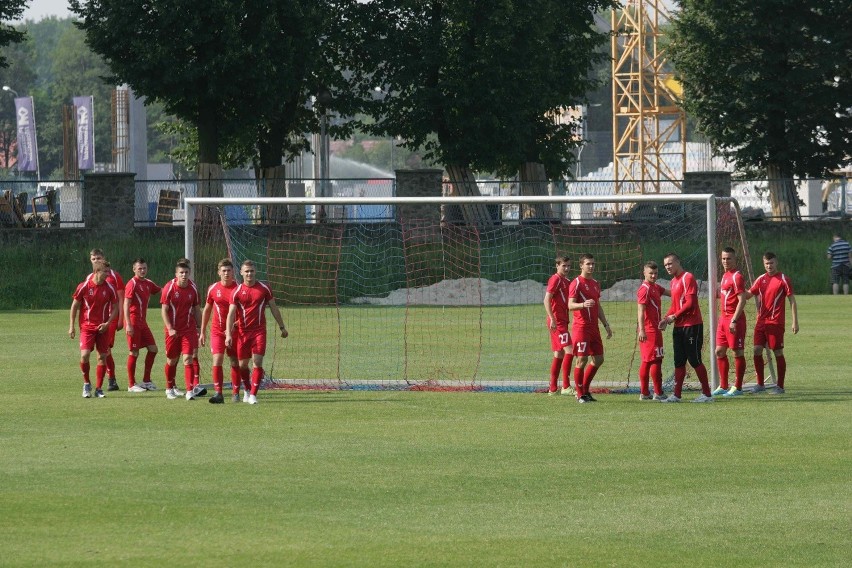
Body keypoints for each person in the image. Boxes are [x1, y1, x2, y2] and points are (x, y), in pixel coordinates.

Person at [225, 260, 288, 405]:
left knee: (257, 362)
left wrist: (282, 327)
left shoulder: (264, 288)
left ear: (255, 272)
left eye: (251, 271)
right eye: (246, 271)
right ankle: (247, 389)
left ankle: (253, 395)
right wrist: (228, 334)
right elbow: (230, 314)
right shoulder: (237, 291)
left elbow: (273, 307)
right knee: (242, 365)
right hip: (242, 332)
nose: (249, 274)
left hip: (259, 331)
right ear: (241, 273)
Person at [659, 253, 713, 403]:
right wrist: (665, 319)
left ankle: (707, 394)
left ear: (678, 262)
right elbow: (675, 305)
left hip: (692, 325)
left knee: (694, 360)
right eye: (665, 265)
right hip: (679, 327)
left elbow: (690, 304)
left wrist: (674, 317)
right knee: (679, 361)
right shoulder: (673, 282)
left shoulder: (688, 277)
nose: (668, 267)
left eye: (670, 263)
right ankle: (676, 395)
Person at [743, 252, 799, 394]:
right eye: (767, 263)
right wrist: (737, 288)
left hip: (775, 322)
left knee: (777, 352)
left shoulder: (783, 279)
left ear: (776, 263)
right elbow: (748, 295)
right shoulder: (761, 279)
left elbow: (792, 300)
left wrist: (795, 322)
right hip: (761, 322)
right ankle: (760, 384)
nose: (769, 266)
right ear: (763, 264)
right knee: (756, 350)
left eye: (771, 263)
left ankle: (780, 386)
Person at [567, 253, 612, 403]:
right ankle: (580, 394)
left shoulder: (595, 283)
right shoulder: (576, 283)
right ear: (581, 265)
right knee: (581, 360)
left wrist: (606, 324)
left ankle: (585, 389)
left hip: (594, 328)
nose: (591, 266)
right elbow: (570, 305)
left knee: (599, 359)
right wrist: (582, 305)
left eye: (593, 263)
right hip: (581, 327)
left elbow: (598, 306)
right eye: (588, 264)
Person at [69, 261, 119, 398]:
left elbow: (116, 307)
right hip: (87, 327)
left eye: (109, 272)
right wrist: (71, 326)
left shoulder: (110, 287)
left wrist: (108, 323)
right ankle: (86, 384)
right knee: (84, 355)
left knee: (102, 357)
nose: (108, 275)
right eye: (105, 272)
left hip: (103, 328)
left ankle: (98, 388)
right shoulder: (84, 286)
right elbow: (74, 306)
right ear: (97, 271)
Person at [199, 258, 241, 404]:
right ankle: (219, 393)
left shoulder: (239, 289)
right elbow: (207, 310)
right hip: (217, 331)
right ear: (219, 273)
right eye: (223, 271)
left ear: (233, 272)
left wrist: (237, 323)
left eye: (229, 270)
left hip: (235, 331)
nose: (226, 273)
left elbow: (245, 311)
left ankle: (236, 392)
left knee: (235, 361)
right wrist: (203, 331)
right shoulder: (213, 289)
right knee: (217, 360)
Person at [160, 260, 202, 400]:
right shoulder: (169, 288)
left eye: (186, 273)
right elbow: (164, 310)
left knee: (188, 358)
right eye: (181, 273)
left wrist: (199, 327)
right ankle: (169, 388)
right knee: (172, 360)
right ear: (176, 274)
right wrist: (170, 328)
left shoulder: (193, 288)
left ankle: (190, 391)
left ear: (189, 273)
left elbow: (196, 309)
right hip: (172, 330)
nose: (184, 275)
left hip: (188, 329)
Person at [88, 248, 125, 391]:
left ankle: (111, 379)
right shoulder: (90, 278)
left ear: (103, 258)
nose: (96, 261)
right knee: (102, 351)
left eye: (98, 258)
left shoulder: (114, 276)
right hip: (95, 319)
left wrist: (121, 318)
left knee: (105, 349)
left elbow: (121, 297)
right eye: (93, 259)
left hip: (111, 317)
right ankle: (110, 380)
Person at [715, 248, 748, 397]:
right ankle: (723, 385)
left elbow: (742, 300)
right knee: (719, 351)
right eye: (723, 258)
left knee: (737, 352)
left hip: (734, 320)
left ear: (735, 260)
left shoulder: (737, 277)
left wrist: (734, 320)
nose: (725, 261)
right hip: (723, 319)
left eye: (728, 259)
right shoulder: (724, 276)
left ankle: (738, 387)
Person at [124, 258, 161, 392]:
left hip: (143, 323)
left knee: (153, 349)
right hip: (133, 322)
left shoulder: (148, 283)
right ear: (134, 269)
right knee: (134, 352)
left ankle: (146, 380)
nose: (142, 270)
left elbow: (161, 291)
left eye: (144, 268)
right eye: (139, 268)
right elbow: (126, 304)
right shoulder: (132, 283)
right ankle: (131, 384)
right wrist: (128, 324)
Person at [636, 261, 670, 400]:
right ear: (644, 273)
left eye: (655, 273)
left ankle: (646, 393)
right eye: (651, 273)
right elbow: (640, 310)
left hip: (655, 329)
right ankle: (656, 392)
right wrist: (642, 330)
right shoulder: (645, 289)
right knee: (654, 360)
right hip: (649, 330)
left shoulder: (655, 286)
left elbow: (670, 292)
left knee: (651, 360)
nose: (654, 275)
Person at [543, 256, 574, 395]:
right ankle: (566, 386)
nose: (566, 268)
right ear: (557, 266)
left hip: (563, 321)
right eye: (564, 266)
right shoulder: (555, 279)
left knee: (559, 353)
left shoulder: (567, 281)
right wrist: (552, 319)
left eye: (568, 266)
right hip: (557, 322)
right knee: (570, 350)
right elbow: (546, 299)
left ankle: (553, 388)